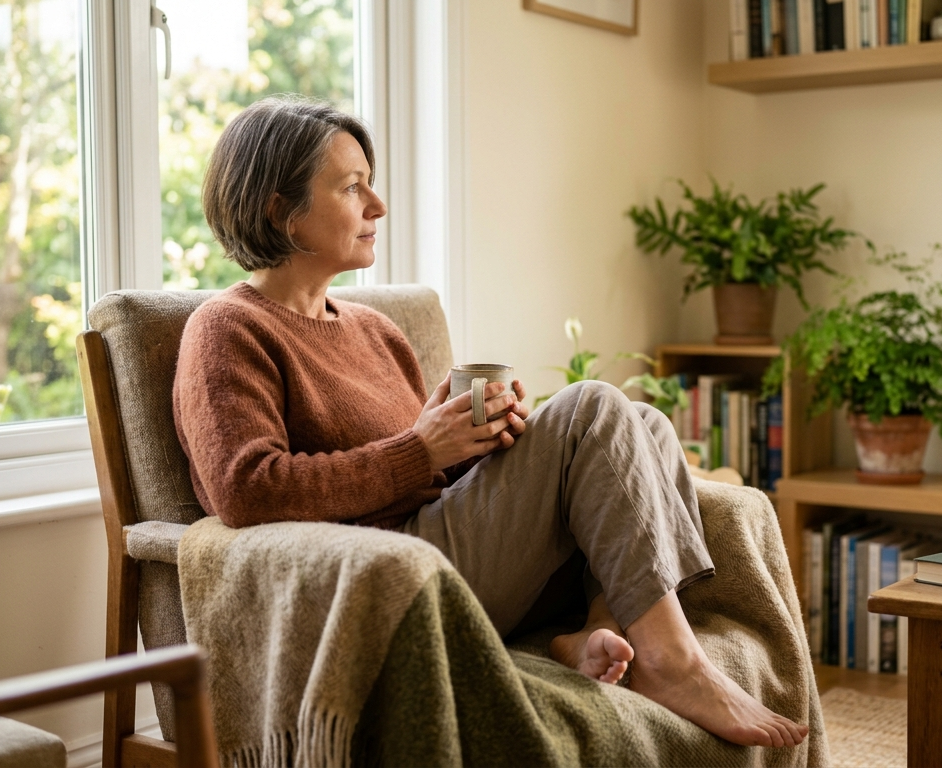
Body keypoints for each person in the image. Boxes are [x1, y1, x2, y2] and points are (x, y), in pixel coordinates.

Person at [173, 95, 808, 750]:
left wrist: (476, 445)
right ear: (279, 210)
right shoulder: (228, 329)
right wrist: (421, 450)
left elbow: (420, 470)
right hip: (381, 572)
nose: (378, 206)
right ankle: (673, 662)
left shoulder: (374, 331)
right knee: (591, 406)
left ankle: (600, 628)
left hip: (440, 539)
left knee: (642, 422)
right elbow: (244, 489)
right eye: (352, 187)